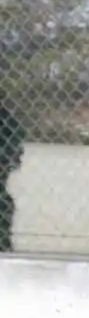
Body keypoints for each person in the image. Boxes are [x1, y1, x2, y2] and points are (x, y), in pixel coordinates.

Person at [0, 96, 23, 253]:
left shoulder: (5, 117)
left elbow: (16, 135)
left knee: (3, 202)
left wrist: (9, 159)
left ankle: (3, 241)